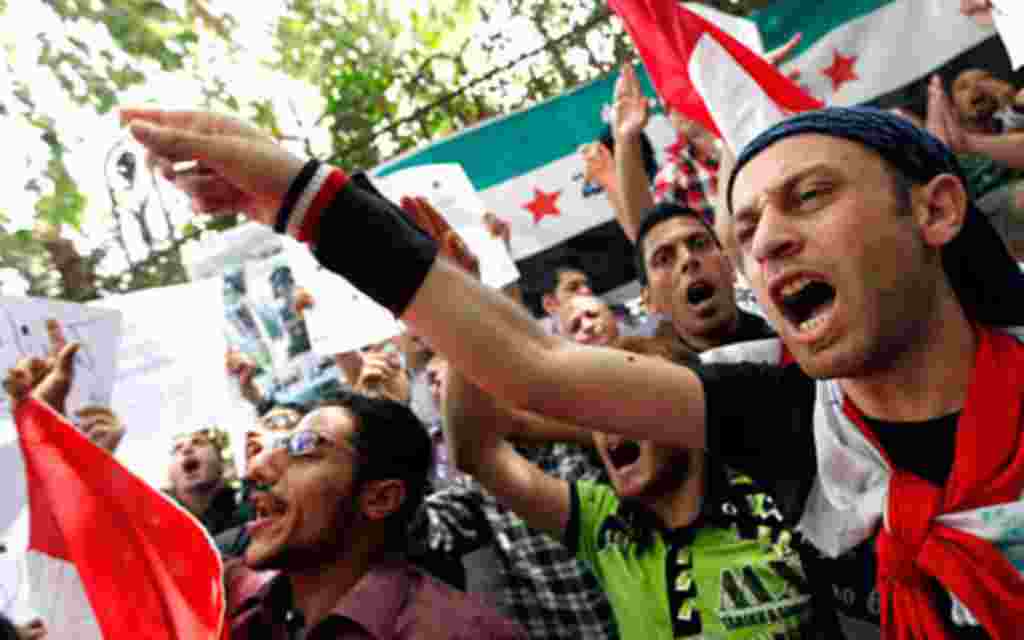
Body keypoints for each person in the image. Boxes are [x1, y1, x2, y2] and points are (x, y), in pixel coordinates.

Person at [124, 104, 1024, 638]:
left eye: (810, 196)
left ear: (938, 209)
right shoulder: (791, 419)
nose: (768, 240)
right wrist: (298, 194)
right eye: (745, 227)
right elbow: (537, 369)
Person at [445, 335, 820, 639]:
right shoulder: (603, 523)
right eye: (596, 411)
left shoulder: (779, 503)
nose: (607, 423)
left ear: (687, 416)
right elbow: (475, 451)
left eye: (627, 408)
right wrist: (456, 308)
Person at [228, 392, 525, 639]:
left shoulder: (460, 634)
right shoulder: (237, 616)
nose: (256, 467)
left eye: (304, 447)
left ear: (380, 499)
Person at [165, 427, 247, 537]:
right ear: (169, 475)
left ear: (222, 465)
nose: (186, 449)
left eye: (198, 442)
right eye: (177, 448)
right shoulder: (159, 532)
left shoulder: (250, 510)